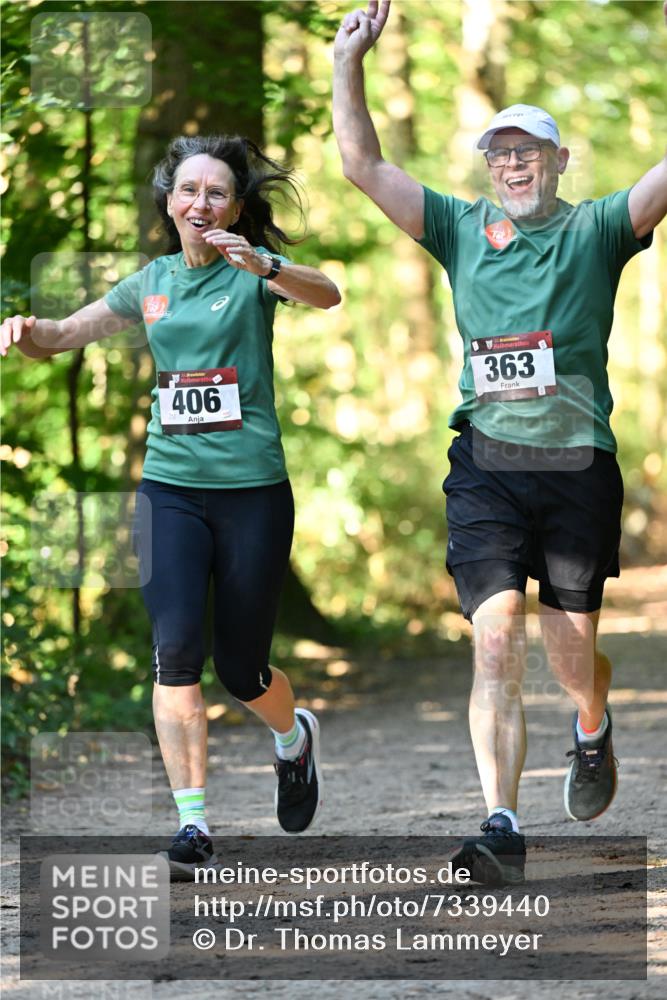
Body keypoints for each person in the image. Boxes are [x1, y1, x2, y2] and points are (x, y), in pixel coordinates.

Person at [333, 0, 666, 884]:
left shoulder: (597, 229)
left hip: (574, 469)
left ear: (558, 162)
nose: (514, 164)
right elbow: (361, 164)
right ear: (488, 168)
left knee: (568, 652)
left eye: (529, 151)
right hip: (484, 461)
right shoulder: (457, 228)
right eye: (500, 153)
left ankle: (590, 724)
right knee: (494, 637)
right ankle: (501, 825)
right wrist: (347, 61)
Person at [1, 134, 341, 879]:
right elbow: (61, 337)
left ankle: (294, 738)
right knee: (176, 651)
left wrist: (268, 263)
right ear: (169, 201)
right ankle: (193, 825)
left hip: (251, 492)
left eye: (217, 192)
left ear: (238, 207)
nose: (201, 203)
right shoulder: (148, 283)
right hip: (170, 492)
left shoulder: (251, 271)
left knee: (241, 669)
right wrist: (28, 334)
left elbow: (327, 292)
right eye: (189, 190)